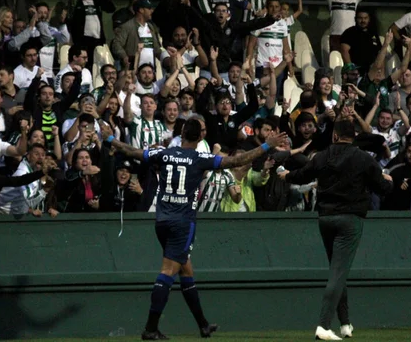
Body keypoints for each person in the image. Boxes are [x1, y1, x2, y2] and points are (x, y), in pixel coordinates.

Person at [101, 119, 287, 340]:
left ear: (181, 134)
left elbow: (132, 150)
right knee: (168, 271)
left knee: (185, 270)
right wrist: (267, 145)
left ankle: (203, 324)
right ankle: (150, 328)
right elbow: (237, 160)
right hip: (182, 222)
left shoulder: (164, 153)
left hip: (162, 221)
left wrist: (111, 138)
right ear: (200, 138)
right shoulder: (200, 158)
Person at [280, 119, 393, 341]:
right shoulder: (363, 158)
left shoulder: (322, 155)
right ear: (354, 136)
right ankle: (323, 325)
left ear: (334, 136)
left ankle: (345, 324)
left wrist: (286, 176)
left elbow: (303, 174)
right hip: (350, 220)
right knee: (338, 273)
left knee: (337, 270)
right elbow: (383, 189)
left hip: (325, 219)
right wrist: (387, 180)